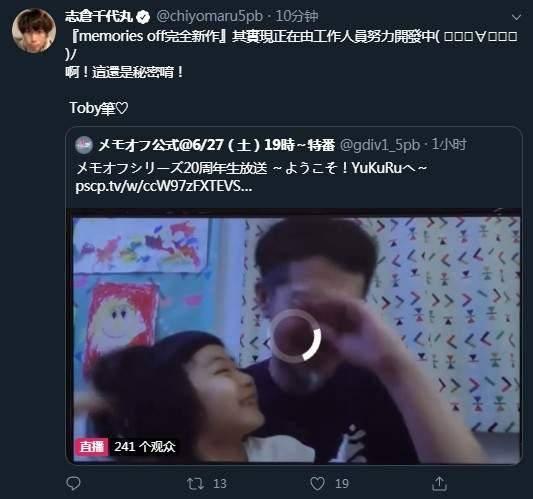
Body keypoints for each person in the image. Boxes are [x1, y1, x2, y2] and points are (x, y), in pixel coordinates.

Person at [246, 217, 486, 464]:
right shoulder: (234, 399)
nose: (323, 333)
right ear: (264, 298)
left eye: (340, 312)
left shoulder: (388, 391)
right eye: (308, 307)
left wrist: (395, 366)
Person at [76, 331, 314, 463]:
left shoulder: (283, 453)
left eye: (237, 368)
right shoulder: (164, 450)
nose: (246, 379)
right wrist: (104, 401)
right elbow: (90, 447)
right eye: (222, 370)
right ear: (176, 394)